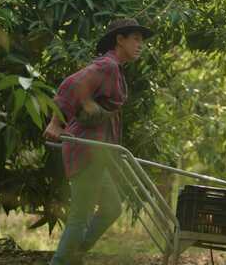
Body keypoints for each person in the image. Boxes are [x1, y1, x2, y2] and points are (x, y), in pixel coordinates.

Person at [43, 18, 153, 265]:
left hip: (97, 151)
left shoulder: (115, 69)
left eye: (141, 40)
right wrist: (56, 122)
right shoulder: (108, 66)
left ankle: (74, 255)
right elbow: (72, 84)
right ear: (119, 39)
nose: (140, 44)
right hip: (86, 148)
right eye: (135, 38)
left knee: (112, 207)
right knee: (79, 218)